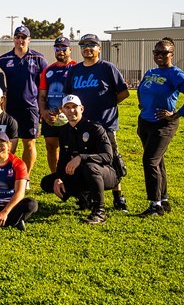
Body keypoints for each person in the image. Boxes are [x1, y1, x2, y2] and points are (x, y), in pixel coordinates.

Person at [135, 38, 184, 217]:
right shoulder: (150, 71)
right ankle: (163, 200)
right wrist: (143, 104)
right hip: (145, 122)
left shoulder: (176, 74)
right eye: (156, 52)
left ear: (172, 54)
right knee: (158, 161)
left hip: (163, 125)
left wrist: (176, 114)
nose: (159, 55)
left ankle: (155, 205)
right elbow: (141, 90)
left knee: (150, 161)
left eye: (164, 52)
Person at [65, 33, 130, 211]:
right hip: (82, 124)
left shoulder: (107, 68)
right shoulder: (74, 70)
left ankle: (118, 197)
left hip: (105, 124)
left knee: (112, 159)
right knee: (84, 160)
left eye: (92, 45)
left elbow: (124, 92)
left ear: (99, 49)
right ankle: (86, 195)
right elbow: (68, 95)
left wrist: (108, 104)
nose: (87, 48)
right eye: (84, 45)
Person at [40, 95, 119, 224]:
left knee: (89, 167)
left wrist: (82, 158)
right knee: (48, 182)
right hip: (83, 173)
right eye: (67, 107)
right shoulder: (64, 132)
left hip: (106, 173)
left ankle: (99, 211)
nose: (71, 111)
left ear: (81, 108)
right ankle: (83, 197)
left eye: (74, 107)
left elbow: (108, 157)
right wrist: (59, 178)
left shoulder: (95, 128)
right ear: (63, 110)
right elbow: (63, 159)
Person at [0, 25, 48, 173]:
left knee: (29, 143)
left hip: (30, 108)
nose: (20, 40)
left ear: (29, 39)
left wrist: (42, 107)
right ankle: (6, 173)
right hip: (9, 108)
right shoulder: (3, 59)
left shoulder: (39, 59)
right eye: (17, 37)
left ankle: (25, 176)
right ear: (13, 39)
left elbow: (44, 85)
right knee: (7, 144)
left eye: (23, 37)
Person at [38, 36, 76, 173]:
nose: (60, 51)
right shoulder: (48, 70)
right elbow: (42, 96)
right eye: (57, 48)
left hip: (69, 117)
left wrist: (61, 110)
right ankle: (55, 175)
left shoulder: (76, 68)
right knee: (50, 146)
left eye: (63, 48)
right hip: (50, 117)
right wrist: (44, 112)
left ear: (70, 49)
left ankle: (70, 175)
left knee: (70, 148)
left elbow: (78, 95)